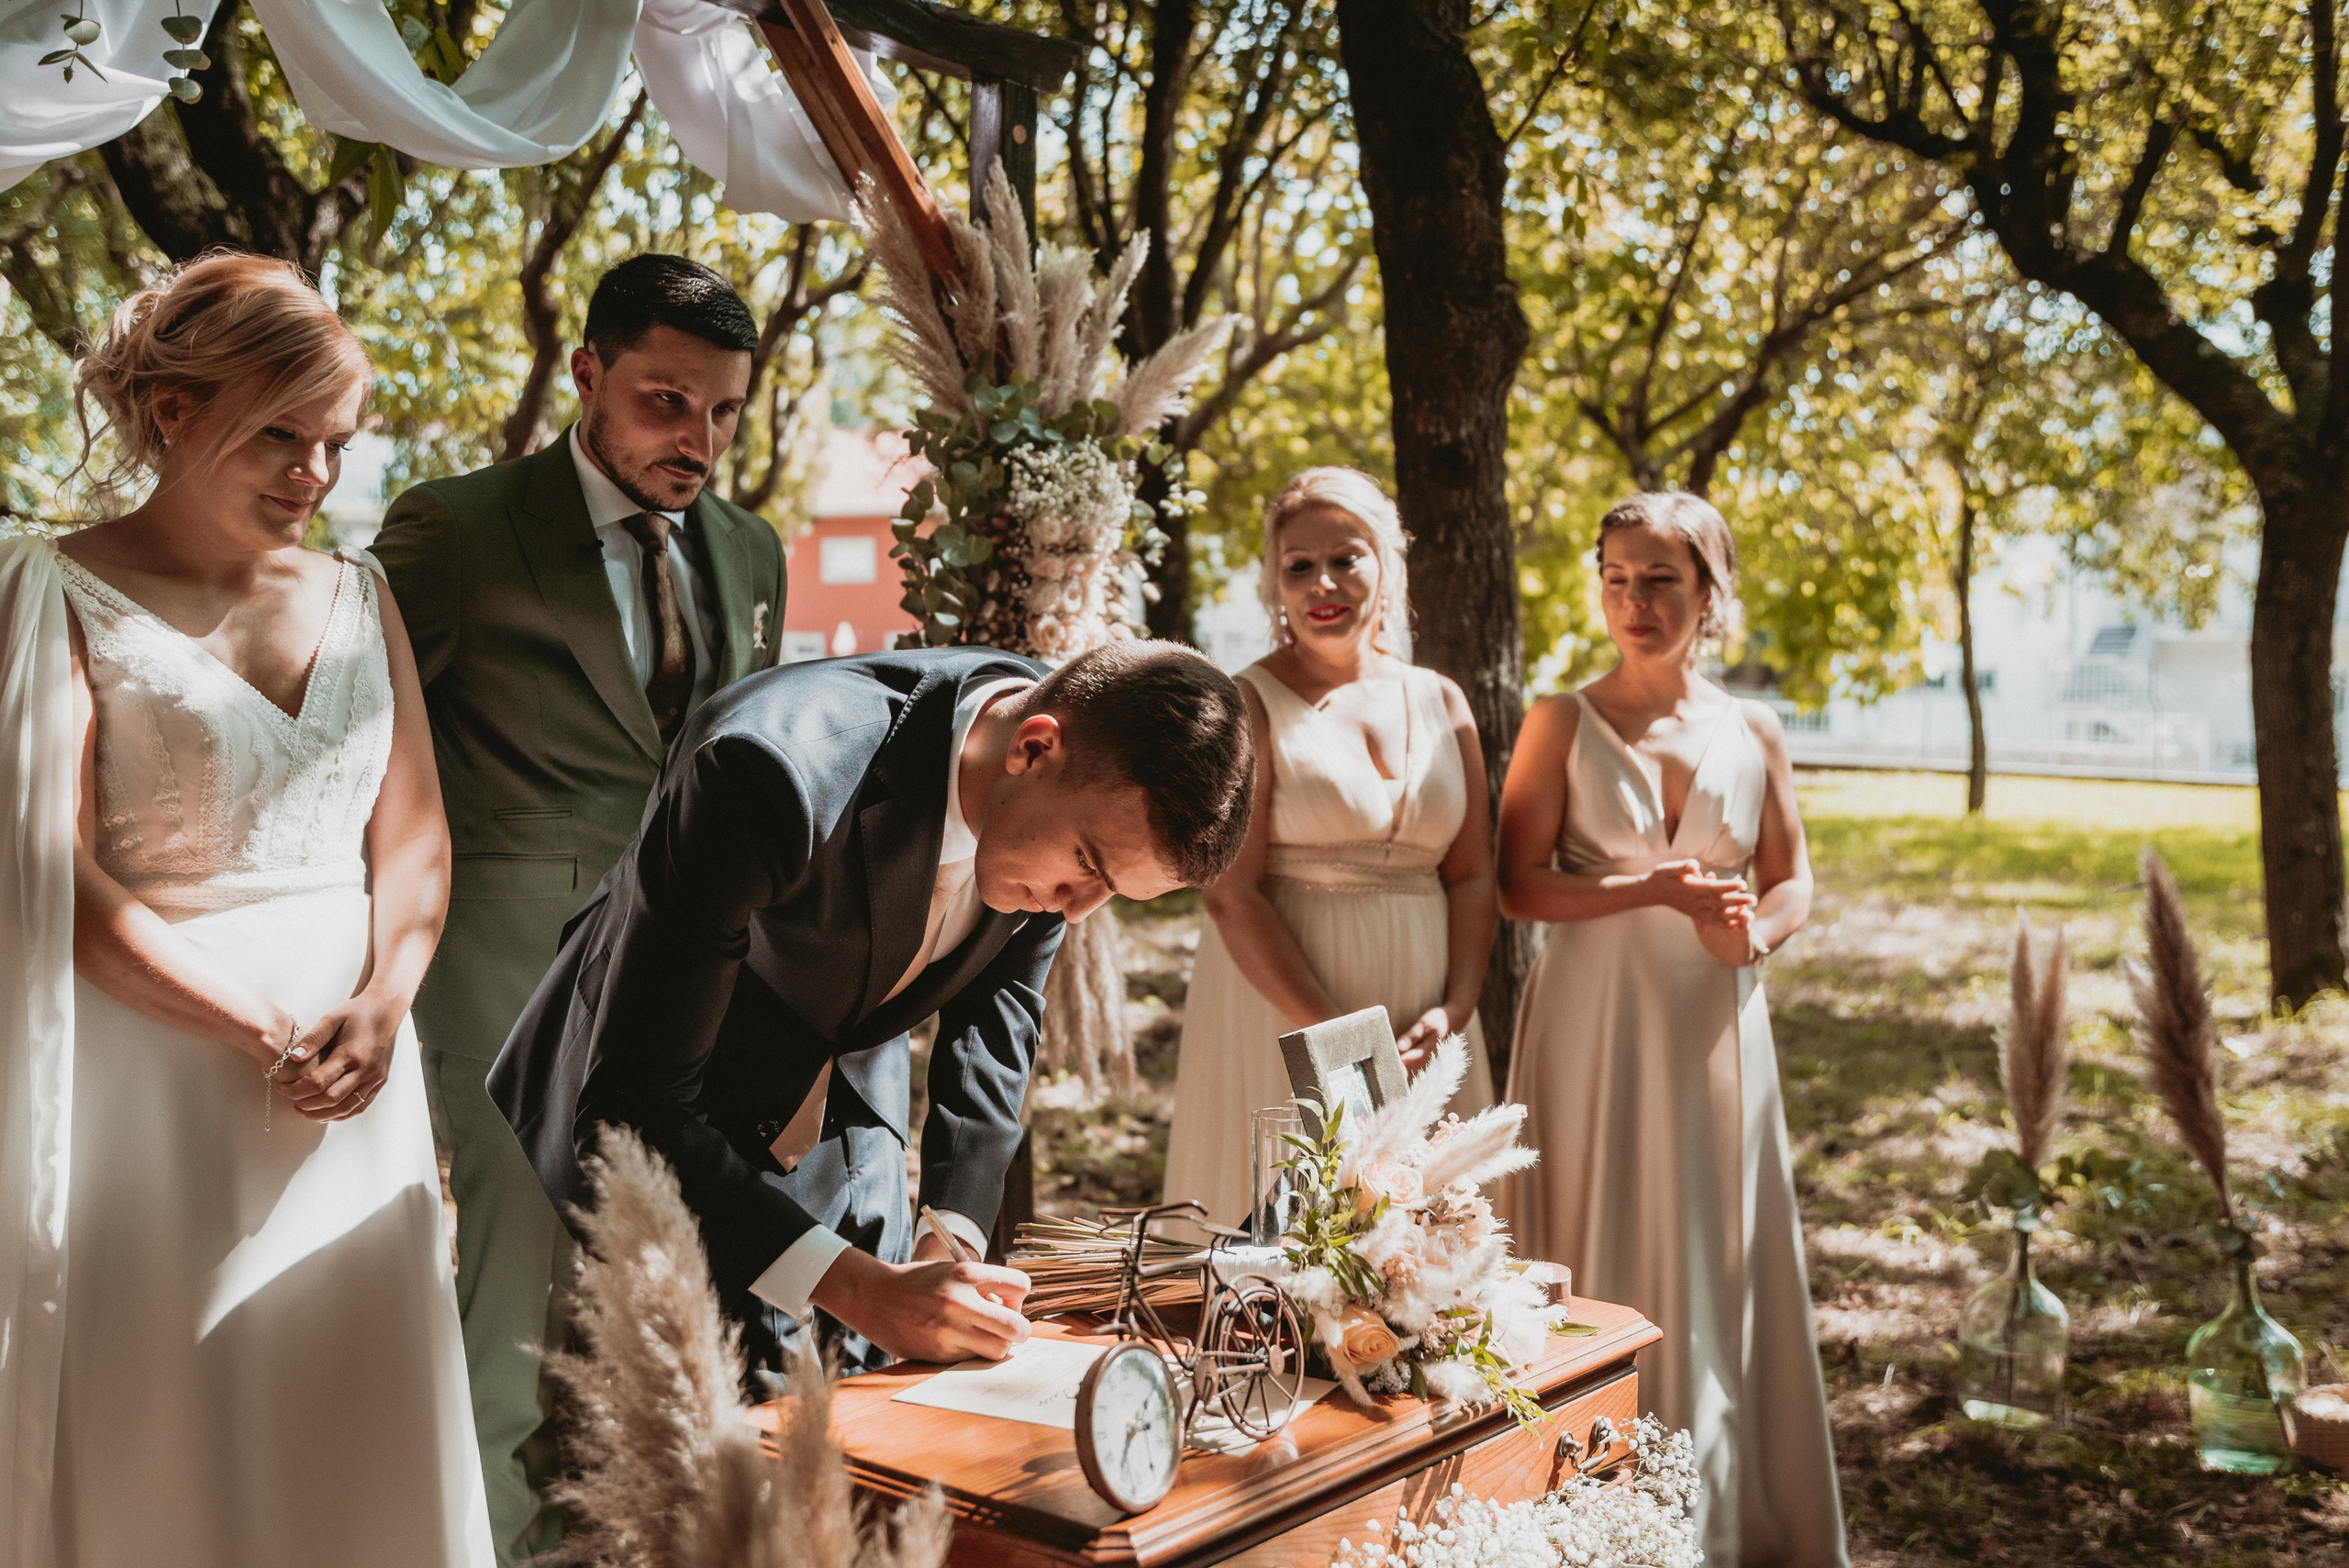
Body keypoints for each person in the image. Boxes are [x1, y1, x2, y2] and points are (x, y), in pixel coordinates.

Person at [0, 253, 491, 1564]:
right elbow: (49, 879)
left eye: (335, 443)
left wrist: (386, 999)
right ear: (172, 410)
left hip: (358, 1074)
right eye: (282, 433)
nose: (314, 475)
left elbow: (417, 833)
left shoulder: (359, 592)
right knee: (173, 1410)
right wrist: (260, 1030)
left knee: (351, 1422)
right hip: (150, 1079)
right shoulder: (53, 590)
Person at [490, 640, 1254, 1371]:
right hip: (661, 1102)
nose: (1077, 909)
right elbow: (634, 1103)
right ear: (1031, 748)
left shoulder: (1066, 789)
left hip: (853, 1090)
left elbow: (998, 1022)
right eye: (1088, 864)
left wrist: (946, 1245)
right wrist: (861, 1288)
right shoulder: (767, 767)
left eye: (1112, 890)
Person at [369, 254, 787, 1564]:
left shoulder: (750, 549)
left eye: (724, 411)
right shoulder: (453, 530)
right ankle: (485, 1543)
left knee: (658, 1273)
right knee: (515, 1289)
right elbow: (363, 744)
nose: (699, 440)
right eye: (668, 401)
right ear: (587, 374)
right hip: (505, 969)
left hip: (694, 983)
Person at [1495, 492, 1845, 1567]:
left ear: (1710, 591)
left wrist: (1756, 937)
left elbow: (1791, 880)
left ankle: (1722, 1512)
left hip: (1714, 1021)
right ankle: (1575, 1504)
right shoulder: (1560, 717)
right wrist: (1648, 890)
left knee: (1710, 1242)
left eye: (1660, 580)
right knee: (1595, 1229)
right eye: (1616, 577)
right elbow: (1517, 885)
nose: (1633, 601)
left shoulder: (1757, 727)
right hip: (1591, 1022)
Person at [1163, 468, 1497, 1230]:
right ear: (1274, 585)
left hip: (1427, 1021)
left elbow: (1474, 873)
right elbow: (1230, 893)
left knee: (1433, 1248)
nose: (1324, 582)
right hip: (1287, 1010)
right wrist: (1340, 1038)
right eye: (1299, 565)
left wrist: (1456, 1006)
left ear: (1387, 564)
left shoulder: (1443, 699)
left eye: (1347, 557)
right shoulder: (1245, 701)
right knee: (1295, 1247)